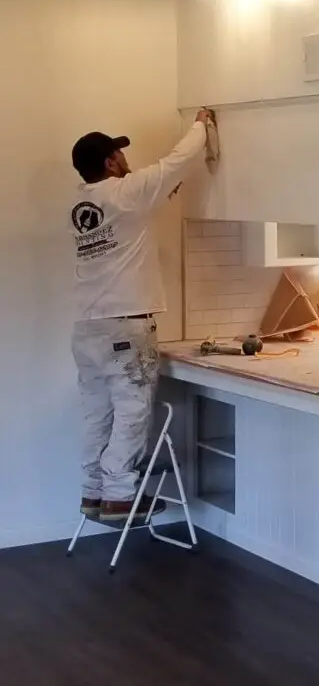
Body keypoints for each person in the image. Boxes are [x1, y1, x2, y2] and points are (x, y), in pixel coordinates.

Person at [70, 109, 213, 522]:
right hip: (125, 326)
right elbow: (177, 160)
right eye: (118, 152)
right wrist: (201, 124)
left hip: (86, 329)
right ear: (110, 162)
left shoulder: (79, 204)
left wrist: (160, 194)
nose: (123, 158)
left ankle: (92, 493)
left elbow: (129, 221)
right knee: (132, 410)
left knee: (96, 413)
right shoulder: (128, 191)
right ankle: (119, 497)